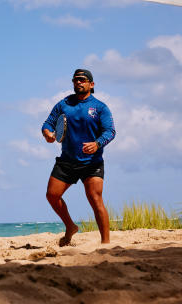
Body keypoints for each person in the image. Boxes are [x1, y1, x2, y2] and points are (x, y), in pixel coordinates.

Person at [41, 68, 115, 247]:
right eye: (75, 80)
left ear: (91, 84)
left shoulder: (100, 107)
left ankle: (106, 243)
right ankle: (70, 226)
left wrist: (97, 144)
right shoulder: (64, 104)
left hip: (92, 163)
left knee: (95, 198)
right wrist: (48, 134)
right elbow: (47, 123)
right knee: (52, 195)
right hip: (67, 160)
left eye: (82, 80)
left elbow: (110, 131)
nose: (78, 83)